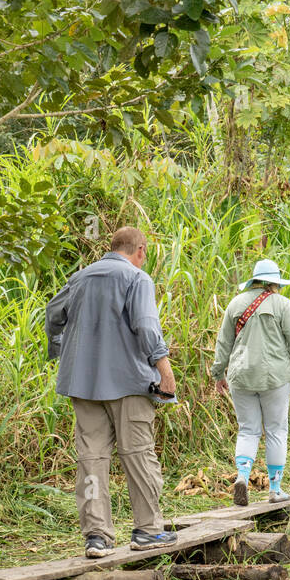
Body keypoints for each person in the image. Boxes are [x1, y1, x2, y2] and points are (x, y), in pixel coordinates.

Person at [45, 226, 178, 559]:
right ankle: (148, 531)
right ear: (141, 251)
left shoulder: (81, 278)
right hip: (128, 384)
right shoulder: (136, 279)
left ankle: (97, 537)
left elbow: (52, 315)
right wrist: (165, 371)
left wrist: (63, 352)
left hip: (83, 384)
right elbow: (147, 326)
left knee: (91, 459)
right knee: (137, 454)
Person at [212, 259, 290, 504]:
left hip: (240, 376)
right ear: (274, 283)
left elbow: (223, 343)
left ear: (254, 281)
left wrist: (218, 373)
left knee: (248, 430)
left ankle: (242, 476)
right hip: (275, 377)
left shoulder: (235, 304)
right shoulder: (282, 305)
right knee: (276, 430)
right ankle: (275, 489)